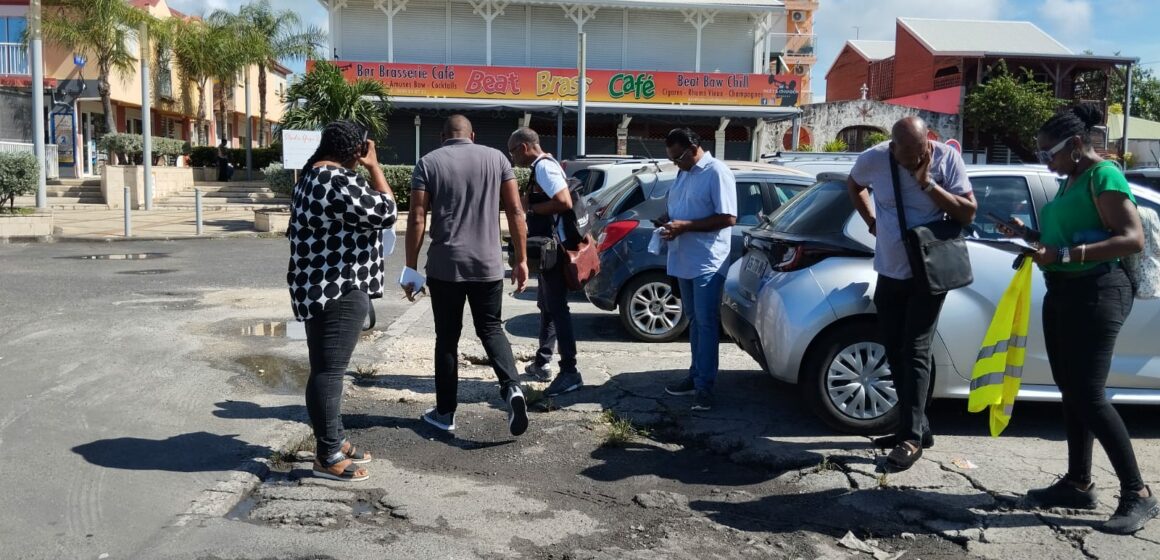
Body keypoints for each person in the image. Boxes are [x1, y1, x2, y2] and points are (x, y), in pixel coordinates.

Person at [1001, 105, 1156, 534]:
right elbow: (1061, 240)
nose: (1043, 160)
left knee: (1089, 394)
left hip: (1100, 291)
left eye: (1047, 152)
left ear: (1074, 145)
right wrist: (1027, 235)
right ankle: (1078, 483)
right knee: (1070, 391)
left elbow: (1131, 238)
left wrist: (1065, 255)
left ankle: (1138, 494)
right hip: (1064, 291)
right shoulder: (1070, 181)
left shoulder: (1104, 176)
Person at [846, 116, 976, 471]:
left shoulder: (947, 160)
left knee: (916, 350)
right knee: (894, 348)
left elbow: (967, 212)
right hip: (890, 269)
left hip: (929, 272)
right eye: (907, 155)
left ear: (927, 141)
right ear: (893, 147)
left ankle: (911, 438)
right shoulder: (874, 159)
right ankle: (916, 425)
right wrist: (872, 220)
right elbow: (853, 184)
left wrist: (928, 184)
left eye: (920, 152)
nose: (914, 160)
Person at [405, 115, 531, 436]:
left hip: (445, 266)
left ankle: (445, 413)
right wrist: (521, 259)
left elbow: (418, 216)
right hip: (488, 265)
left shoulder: (428, 163)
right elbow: (516, 211)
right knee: (491, 328)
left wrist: (410, 267)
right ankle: (512, 389)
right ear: (472, 135)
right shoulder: (497, 159)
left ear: (442, 136)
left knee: (447, 339)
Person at [287, 121, 397, 482]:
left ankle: (334, 439)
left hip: (318, 286)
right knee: (329, 372)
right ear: (356, 150)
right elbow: (387, 211)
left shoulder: (311, 177)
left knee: (326, 369)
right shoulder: (336, 180)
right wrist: (375, 167)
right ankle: (327, 455)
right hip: (337, 288)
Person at [659, 128, 737, 411]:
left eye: (678, 157)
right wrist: (668, 219)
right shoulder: (683, 172)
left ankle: (705, 386)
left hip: (707, 261)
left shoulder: (716, 172)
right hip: (683, 259)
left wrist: (686, 227)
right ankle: (695, 376)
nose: (676, 163)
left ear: (694, 148)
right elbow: (683, 207)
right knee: (693, 320)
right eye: (672, 159)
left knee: (705, 323)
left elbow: (728, 217)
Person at [507, 127, 585, 397]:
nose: (512, 157)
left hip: (554, 251)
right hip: (549, 250)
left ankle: (570, 372)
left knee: (557, 309)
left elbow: (563, 201)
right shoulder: (546, 165)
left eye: (513, 151)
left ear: (525, 147)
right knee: (548, 306)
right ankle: (542, 362)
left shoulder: (543, 167)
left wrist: (529, 208)